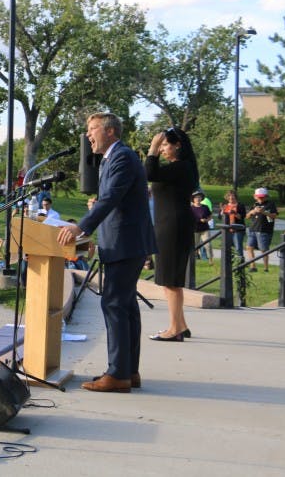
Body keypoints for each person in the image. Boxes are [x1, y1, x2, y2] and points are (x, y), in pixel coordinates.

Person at [58, 112, 155, 392]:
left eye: (92, 129)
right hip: (124, 241)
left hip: (125, 242)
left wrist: (81, 228)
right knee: (125, 306)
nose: (88, 135)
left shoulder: (121, 156)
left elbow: (112, 197)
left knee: (114, 304)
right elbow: (113, 199)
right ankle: (128, 370)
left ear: (110, 131)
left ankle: (118, 374)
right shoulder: (112, 158)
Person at [144, 126, 199, 342]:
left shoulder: (182, 167)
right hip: (170, 225)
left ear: (178, 145)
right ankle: (181, 325)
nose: (163, 148)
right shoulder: (177, 168)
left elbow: (149, 172)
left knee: (171, 281)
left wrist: (152, 148)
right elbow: (151, 173)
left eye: (167, 144)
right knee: (170, 279)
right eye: (162, 144)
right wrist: (155, 150)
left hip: (174, 226)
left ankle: (174, 329)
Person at [245, 187, 278, 272]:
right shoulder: (254, 204)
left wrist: (264, 212)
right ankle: (253, 266)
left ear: (266, 196)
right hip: (252, 229)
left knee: (263, 249)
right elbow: (247, 217)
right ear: (255, 196)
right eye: (259, 196)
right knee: (249, 247)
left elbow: (274, 216)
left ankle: (266, 268)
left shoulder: (270, 204)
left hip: (264, 230)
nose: (260, 198)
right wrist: (252, 212)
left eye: (262, 196)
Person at [220, 189, 246, 260]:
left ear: (236, 197)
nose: (231, 198)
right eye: (229, 197)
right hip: (227, 230)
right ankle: (229, 262)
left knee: (238, 247)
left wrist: (234, 213)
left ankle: (240, 263)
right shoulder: (225, 206)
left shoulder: (240, 205)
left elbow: (242, 217)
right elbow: (220, 217)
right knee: (228, 247)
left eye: (233, 197)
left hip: (238, 230)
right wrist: (222, 210)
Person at [190, 190, 212, 261]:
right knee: (195, 245)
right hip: (195, 229)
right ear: (193, 199)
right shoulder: (191, 208)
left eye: (199, 197)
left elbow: (210, 216)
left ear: (201, 198)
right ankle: (194, 259)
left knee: (208, 244)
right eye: (196, 197)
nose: (198, 199)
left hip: (205, 229)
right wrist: (199, 220)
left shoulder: (205, 207)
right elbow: (189, 219)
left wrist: (207, 220)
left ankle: (210, 259)